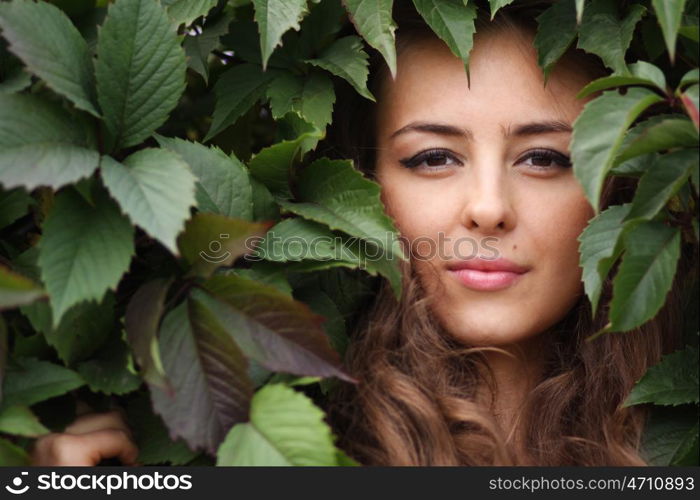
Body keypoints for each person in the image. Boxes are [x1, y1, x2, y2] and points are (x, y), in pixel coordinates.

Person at [31, 2, 684, 466]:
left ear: (620, 191)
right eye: (433, 157)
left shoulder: (677, 439)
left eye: (546, 158)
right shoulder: (240, 442)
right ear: (362, 186)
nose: (488, 210)